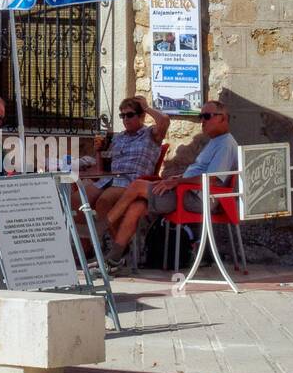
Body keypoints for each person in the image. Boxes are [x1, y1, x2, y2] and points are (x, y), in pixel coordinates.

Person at [101, 99, 240, 271]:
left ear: (223, 118)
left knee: (137, 186)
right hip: (186, 192)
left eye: (206, 116)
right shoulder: (216, 141)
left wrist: (177, 181)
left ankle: (100, 227)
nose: (202, 121)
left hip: (194, 197)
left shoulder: (225, 144)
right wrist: (177, 178)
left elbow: (213, 179)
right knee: (137, 206)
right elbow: (201, 173)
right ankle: (113, 260)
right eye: (200, 116)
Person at [82, 96, 170, 214]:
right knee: (78, 200)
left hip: (131, 183)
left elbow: (164, 120)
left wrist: (146, 107)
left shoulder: (150, 134)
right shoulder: (118, 137)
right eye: (122, 116)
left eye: (129, 115)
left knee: (104, 202)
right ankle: (91, 231)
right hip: (109, 180)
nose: (125, 119)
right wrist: (98, 151)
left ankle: (106, 232)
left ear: (142, 116)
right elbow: (101, 169)